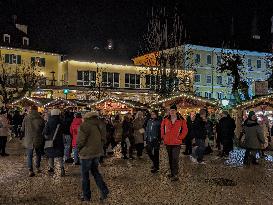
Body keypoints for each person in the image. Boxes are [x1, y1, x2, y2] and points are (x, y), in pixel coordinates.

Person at [77, 111, 109, 202]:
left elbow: (81, 140)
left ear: (86, 118)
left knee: (85, 176)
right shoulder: (101, 124)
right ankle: (104, 190)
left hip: (86, 153)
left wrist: (78, 148)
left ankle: (86, 196)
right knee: (95, 172)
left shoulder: (85, 125)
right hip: (97, 152)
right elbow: (104, 139)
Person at [161, 104, 188, 181]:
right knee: (170, 158)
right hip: (168, 142)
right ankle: (172, 173)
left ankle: (175, 174)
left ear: (176, 111)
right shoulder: (165, 119)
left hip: (176, 142)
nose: (172, 112)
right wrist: (163, 136)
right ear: (169, 111)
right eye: (171, 110)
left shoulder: (181, 119)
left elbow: (185, 130)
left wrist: (180, 137)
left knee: (175, 158)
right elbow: (162, 128)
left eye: (173, 110)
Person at [22, 106, 45, 177]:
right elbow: (43, 129)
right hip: (38, 138)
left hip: (29, 139)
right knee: (38, 154)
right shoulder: (40, 118)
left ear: (30, 110)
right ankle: (37, 167)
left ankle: (30, 170)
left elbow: (23, 129)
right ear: (37, 110)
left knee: (29, 155)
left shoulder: (26, 118)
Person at [43, 109, 65, 176]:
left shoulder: (49, 122)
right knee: (60, 155)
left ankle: (51, 168)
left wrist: (47, 137)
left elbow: (45, 132)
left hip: (50, 140)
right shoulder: (61, 121)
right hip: (59, 141)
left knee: (50, 154)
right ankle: (62, 168)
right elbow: (64, 130)